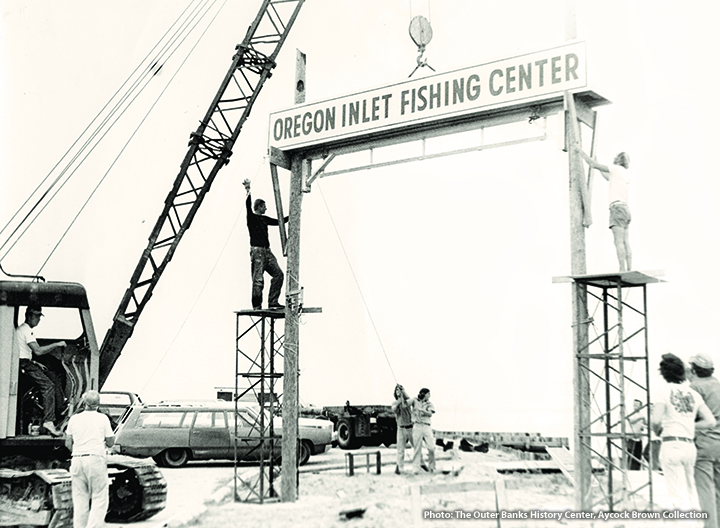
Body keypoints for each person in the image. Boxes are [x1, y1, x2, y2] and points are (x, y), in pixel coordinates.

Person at [652, 353, 716, 512]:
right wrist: (687, 425)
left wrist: (658, 430)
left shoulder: (664, 392)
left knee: (678, 495)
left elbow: (655, 420)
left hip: (673, 444)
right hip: (690, 446)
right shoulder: (695, 393)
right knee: (691, 492)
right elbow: (710, 421)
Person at [573, 145, 632, 272]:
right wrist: (597, 160)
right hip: (626, 209)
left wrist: (580, 151)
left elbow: (593, 165)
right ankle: (629, 268)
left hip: (616, 208)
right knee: (626, 241)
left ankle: (622, 269)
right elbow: (606, 176)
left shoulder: (615, 168)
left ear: (617, 160)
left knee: (618, 242)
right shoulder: (624, 174)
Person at [65, 390, 115, 528]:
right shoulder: (103, 418)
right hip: (95, 459)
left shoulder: (74, 419)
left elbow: (68, 443)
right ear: (98, 404)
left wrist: (78, 451)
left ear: (84, 402)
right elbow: (110, 443)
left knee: (80, 499)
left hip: (77, 459)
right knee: (99, 498)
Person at [15, 305, 66, 436]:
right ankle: (49, 421)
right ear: (30, 316)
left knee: (50, 375)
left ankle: (56, 410)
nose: (39, 319)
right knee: (48, 386)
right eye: (37, 316)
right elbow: (38, 350)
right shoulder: (27, 330)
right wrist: (57, 344)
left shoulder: (22, 329)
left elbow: (24, 352)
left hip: (26, 362)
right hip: (24, 364)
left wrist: (34, 362)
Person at [243, 179, 288, 310]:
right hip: (257, 251)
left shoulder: (265, 219)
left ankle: (273, 301)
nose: (266, 208)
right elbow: (247, 205)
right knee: (258, 280)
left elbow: (280, 221)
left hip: (267, 251)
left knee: (278, 274)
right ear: (259, 207)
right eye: (264, 206)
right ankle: (257, 305)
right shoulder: (251, 218)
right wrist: (248, 190)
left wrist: (293, 213)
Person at [689, 353, 720, 528]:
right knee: (718, 490)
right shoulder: (717, 384)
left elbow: (691, 417)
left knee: (705, 490)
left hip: (704, 443)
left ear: (693, 369)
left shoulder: (695, 388)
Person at [410, 388, 435, 473]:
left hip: (426, 426)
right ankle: (416, 468)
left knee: (431, 447)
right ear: (424, 394)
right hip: (417, 425)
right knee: (417, 448)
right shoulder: (415, 401)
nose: (429, 396)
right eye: (428, 394)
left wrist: (422, 410)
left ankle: (431, 466)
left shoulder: (429, 403)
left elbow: (430, 414)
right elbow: (407, 402)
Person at [391, 383, 413, 475]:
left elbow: (408, 400)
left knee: (417, 447)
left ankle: (420, 464)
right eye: (396, 390)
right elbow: (394, 409)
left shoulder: (408, 400)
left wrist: (403, 391)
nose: (398, 391)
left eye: (399, 390)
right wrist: (400, 400)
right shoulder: (395, 403)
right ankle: (400, 468)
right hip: (401, 428)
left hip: (410, 428)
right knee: (400, 449)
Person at [626, 398, 646, 470]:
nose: (635, 406)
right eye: (634, 404)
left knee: (638, 455)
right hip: (631, 438)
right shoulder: (631, 413)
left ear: (641, 406)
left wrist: (643, 421)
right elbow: (631, 421)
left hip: (639, 438)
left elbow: (644, 425)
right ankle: (631, 470)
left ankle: (637, 470)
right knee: (631, 455)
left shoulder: (641, 415)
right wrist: (640, 418)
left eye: (637, 405)